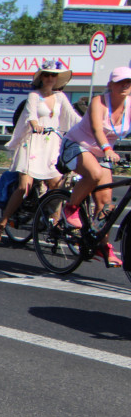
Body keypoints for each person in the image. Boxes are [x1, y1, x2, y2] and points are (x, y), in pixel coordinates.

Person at [0, 61, 78, 244]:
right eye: (46, 75)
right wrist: (35, 124)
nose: (50, 78)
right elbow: (31, 114)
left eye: (53, 75)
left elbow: (73, 117)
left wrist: (91, 127)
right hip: (31, 143)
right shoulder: (34, 95)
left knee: (59, 185)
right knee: (25, 187)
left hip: (50, 145)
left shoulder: (61, 97)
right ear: (41, 78)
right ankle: (2, 224)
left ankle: (53, 220)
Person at [56, 66, 131, 267]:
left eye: (129, 82)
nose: (125, 85)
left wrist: (106, 151)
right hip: (77, 145)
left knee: (106, 203)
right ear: (110, 85)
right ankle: (70, 208)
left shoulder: (130, 105)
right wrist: (107, 148)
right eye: (120, 82)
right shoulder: (99, 101)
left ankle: (103, 246)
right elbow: (98, 128)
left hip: (102, 152)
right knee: (95, 174)